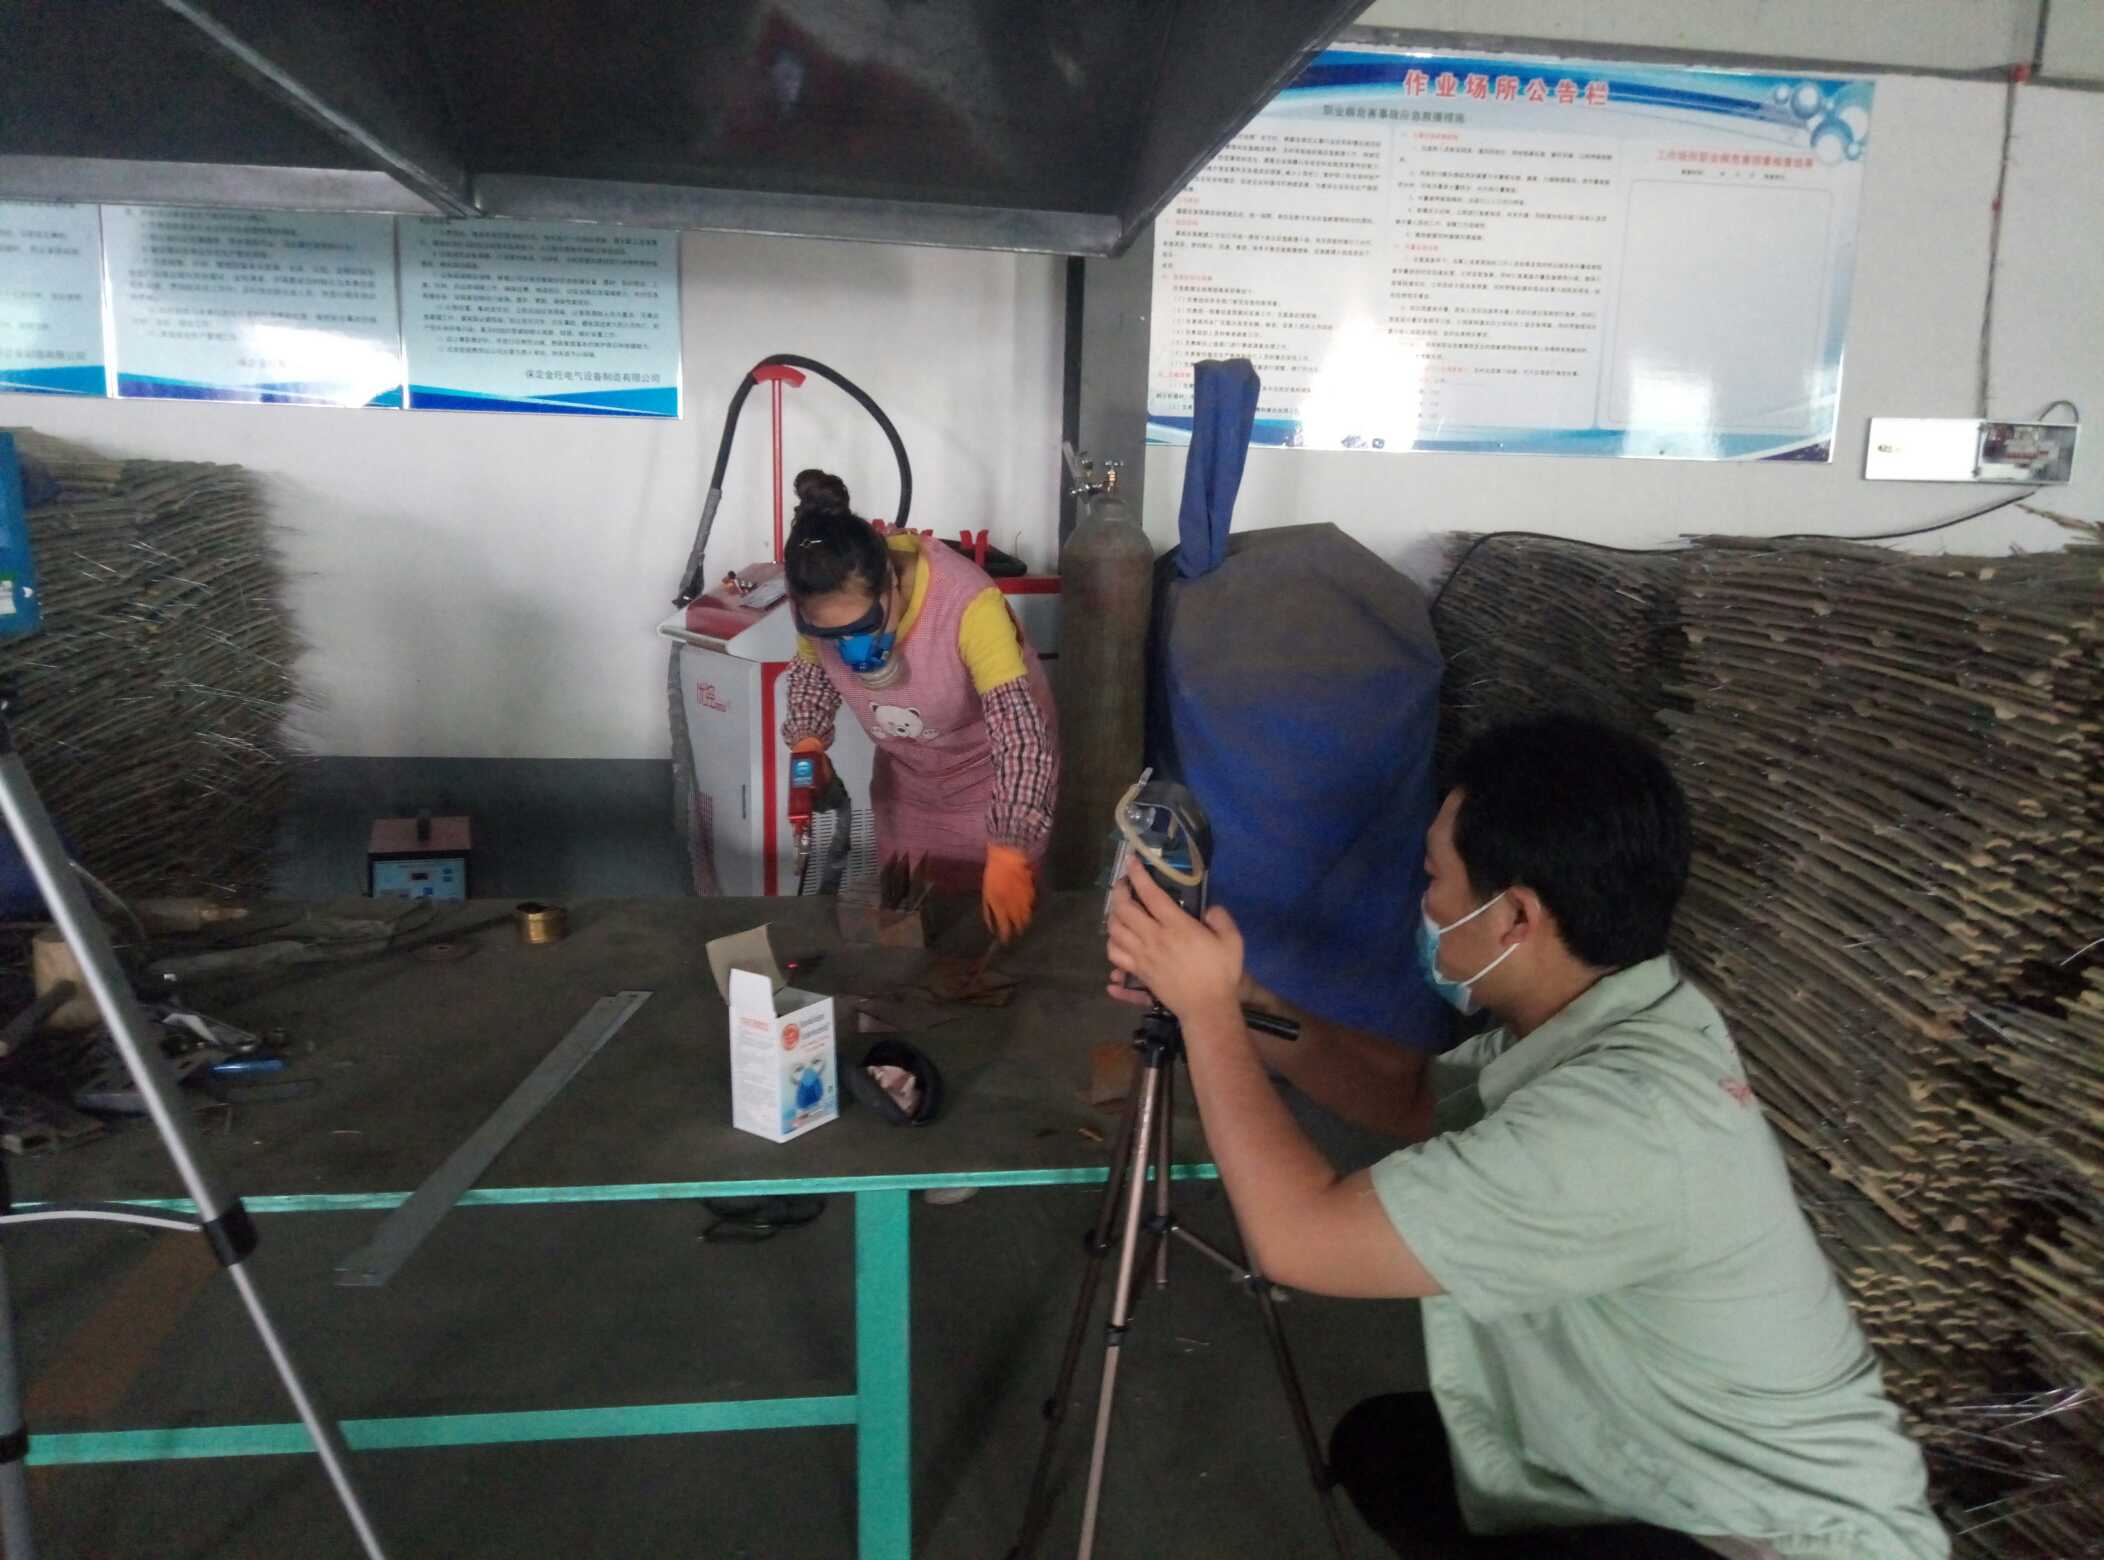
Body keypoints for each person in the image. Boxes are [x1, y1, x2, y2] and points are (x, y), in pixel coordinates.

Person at [1104, 714, 1946, 1559]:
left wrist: (1206, 1016)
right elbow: (1413, 1094)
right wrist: (1245, 1005)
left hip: (1762, 1542)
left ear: (1513, 917)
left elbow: (1299, 1237)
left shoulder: (1623, 1126)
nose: (1424, 902)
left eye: (1434, 877)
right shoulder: (1613, 1017)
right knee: (1387, 1450)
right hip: (1660, 1471)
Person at [780, 469, 1058, 943]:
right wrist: (808, 742)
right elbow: (812, 671)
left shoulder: (966, 604)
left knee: (992, 939)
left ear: (890, 581)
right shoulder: (813, 601)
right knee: (906, 926)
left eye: (863, 627)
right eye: (832, 635)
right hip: (907, 787)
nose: (851, 650)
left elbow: (1022, 737)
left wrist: (1011, 846)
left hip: (996, 784)